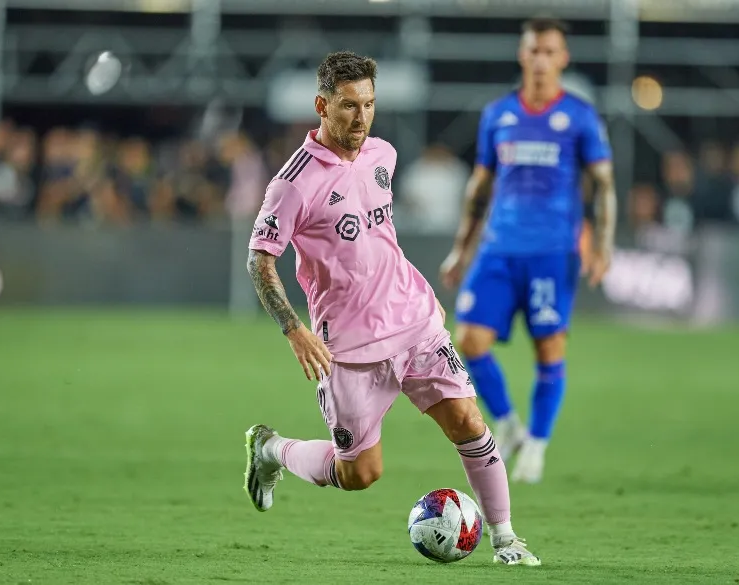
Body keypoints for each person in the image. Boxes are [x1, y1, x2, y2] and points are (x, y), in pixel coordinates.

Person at [244, 51, 540, 567]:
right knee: (360, 474)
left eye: (369, 105)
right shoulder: (292, 183)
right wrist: (294, 329)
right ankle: (271, 449)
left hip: (415, 325)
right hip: (350, 348)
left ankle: (506, 539)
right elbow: (259, 261)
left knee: (469, 421)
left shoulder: (383, 154)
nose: (360, 118)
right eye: (348, 106)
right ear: (321, 105)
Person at [440, 18, 617, 484]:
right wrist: (461, 249)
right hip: (499, 248)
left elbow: (603, 184)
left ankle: (535, 448)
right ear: (522, 56)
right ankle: (510, 424)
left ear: (563, 58)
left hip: (552, 252)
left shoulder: (579, 116)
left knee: (548, 348)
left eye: (549, 51)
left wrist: (603, 244)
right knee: (468, 340)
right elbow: (480, 186)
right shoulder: (498, 114)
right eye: (533, 50)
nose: (540, 59)